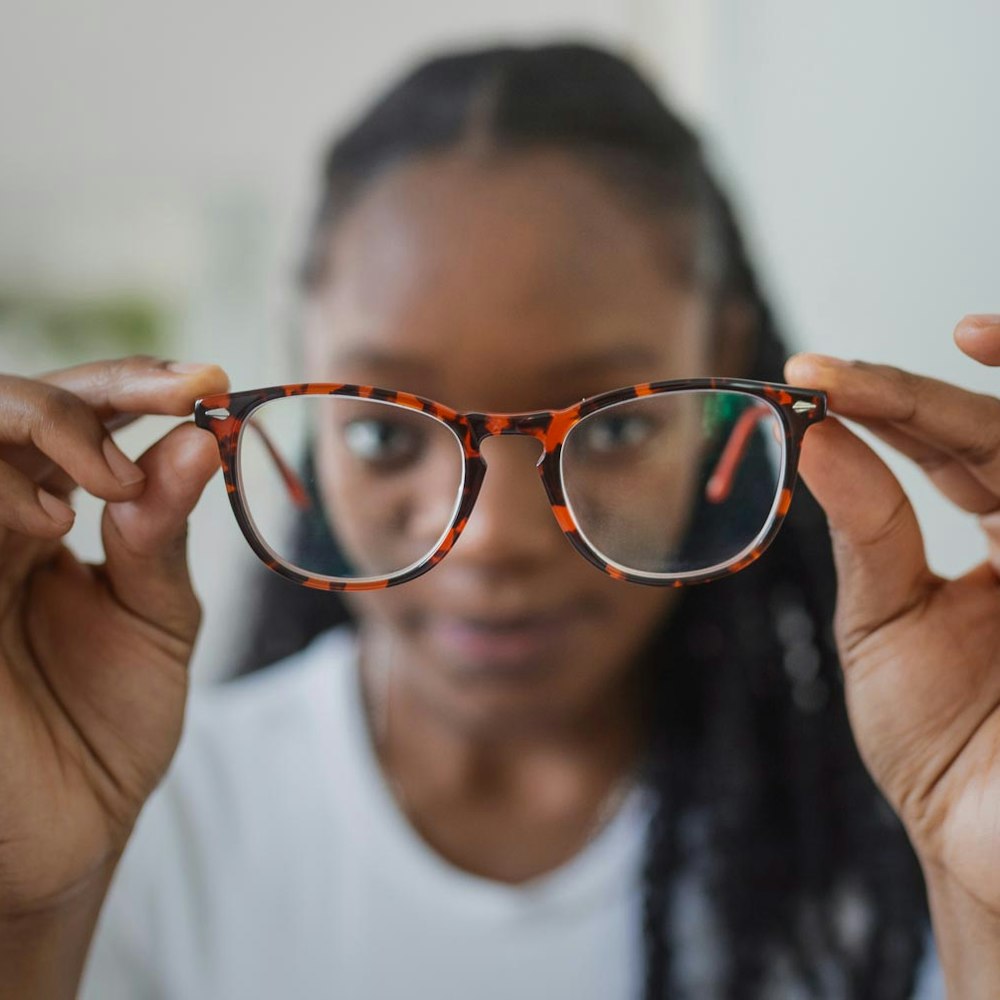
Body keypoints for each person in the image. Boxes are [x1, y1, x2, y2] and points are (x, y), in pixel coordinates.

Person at [0, 42, 998, 999]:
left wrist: (984, 918)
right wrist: (22, 925)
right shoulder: (146, 827)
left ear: (723, 372)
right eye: (384, 434)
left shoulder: (901, 826)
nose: (491, 539)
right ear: (304, 379)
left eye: (615, 427)